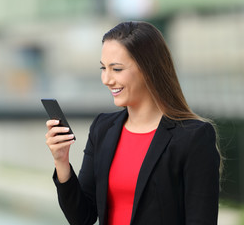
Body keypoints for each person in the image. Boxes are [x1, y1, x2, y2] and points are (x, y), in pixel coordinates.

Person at [45, 21, 221, 225]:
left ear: (148, 69)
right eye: (103, 68)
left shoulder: (193, 136)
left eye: (117, 69)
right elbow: (82, 217)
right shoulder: (102, 128)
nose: (106, 79)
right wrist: (61, 161)